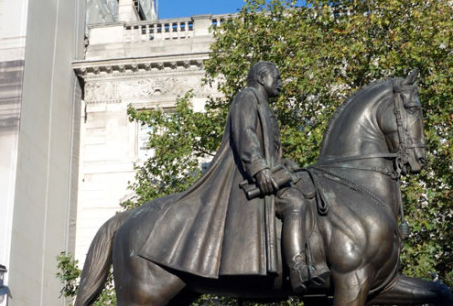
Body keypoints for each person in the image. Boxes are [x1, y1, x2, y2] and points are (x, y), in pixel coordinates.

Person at [139, 61, 325, 292]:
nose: (280, 83)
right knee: (294, 203)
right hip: (246, 178)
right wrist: (260, 169)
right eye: (276, 77)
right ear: (260, 77)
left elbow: (269, 149)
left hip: (266, 176)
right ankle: (299, 271)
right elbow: (245, 134)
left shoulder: (266, 107)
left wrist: (282, 164)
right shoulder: (247, 97)